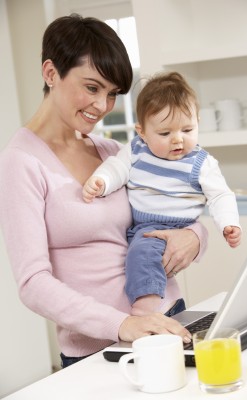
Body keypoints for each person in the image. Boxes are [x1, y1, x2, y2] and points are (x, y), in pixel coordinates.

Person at [0, 15, 208, 369]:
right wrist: (123, 324)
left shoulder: (112, 153)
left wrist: (195, 235)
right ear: (50, 73)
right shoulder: (20, 162)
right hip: (101, 349)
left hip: (168, 318)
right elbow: (33, 283)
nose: (102, 106)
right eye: (93, 88)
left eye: (112, 94)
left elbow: (168, 206)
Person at [83, 71, 241, 316]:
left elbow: (221, 195)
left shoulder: (200, 162)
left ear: (198, 121)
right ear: (142, 132)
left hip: (169, 226)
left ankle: (146, 303)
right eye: (165, 134)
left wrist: (229, 223)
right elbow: (118, 167)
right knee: (140, 253)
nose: (178, 140)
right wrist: (101, 181)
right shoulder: (136, 150)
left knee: (143, 253)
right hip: (142, 224)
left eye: (187, 129)